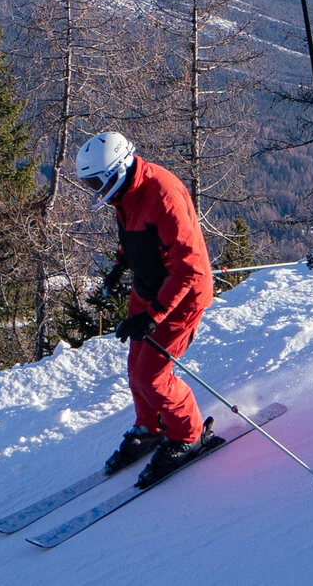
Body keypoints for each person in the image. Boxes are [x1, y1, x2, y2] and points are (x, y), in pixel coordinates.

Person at [76, 131, 216, 482]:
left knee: (152, 377)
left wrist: (152, 317)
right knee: (136, 366)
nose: (95, 190)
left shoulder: (162, 195)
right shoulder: (126, 192)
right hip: (148, 287)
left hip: (179, 296)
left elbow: (190, 268)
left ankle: (188, 434)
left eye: (96, 181)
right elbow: (136, 235)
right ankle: (150, 427)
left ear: (116, 170)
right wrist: (121, 266)